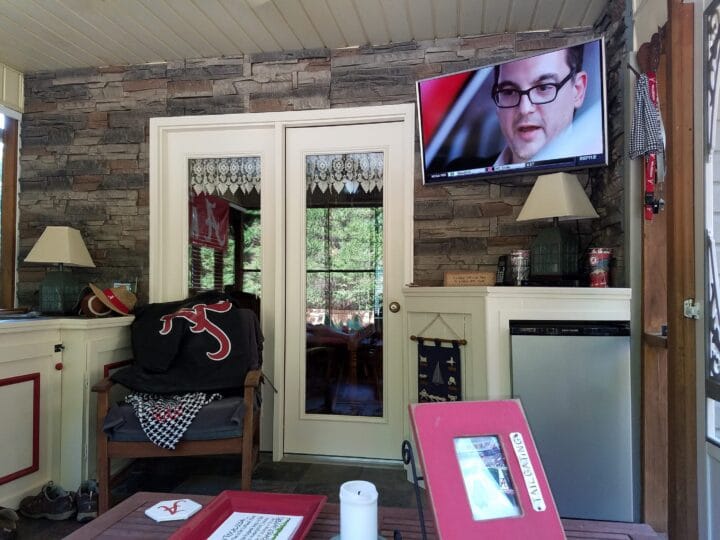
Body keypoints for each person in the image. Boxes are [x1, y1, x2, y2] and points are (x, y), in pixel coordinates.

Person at [491, 45, 588, 166]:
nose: (524, 109)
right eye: (509, 92)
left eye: (543, 87)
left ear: (578, 91)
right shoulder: (466, 168)